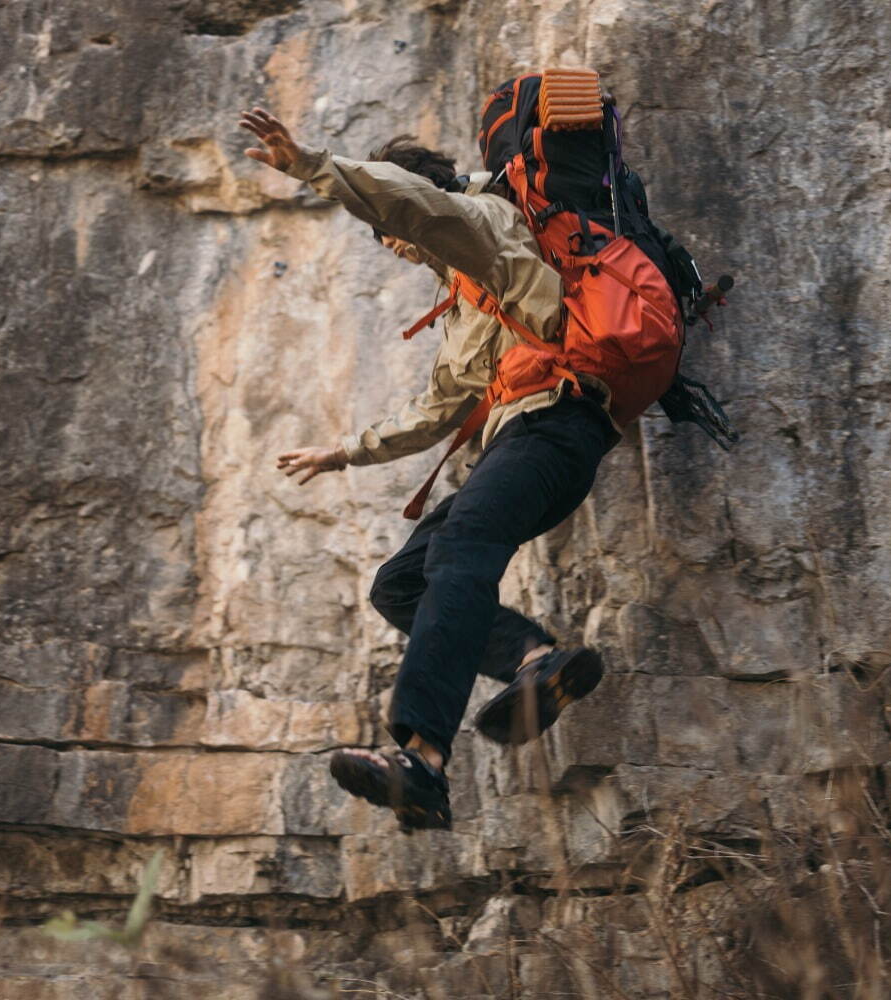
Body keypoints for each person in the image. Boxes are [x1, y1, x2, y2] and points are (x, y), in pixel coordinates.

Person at [238, 107, 616, 831]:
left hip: (558, 427)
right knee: (400, 585)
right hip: (522, 442)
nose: (395, 247)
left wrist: (315, 166)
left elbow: (419, 207)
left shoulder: (482, 222)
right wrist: (346, 451)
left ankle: (423, 759)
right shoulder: (475, 297)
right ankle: (538, 659)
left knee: (460, 549)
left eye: (391, 233)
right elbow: (443, 404)